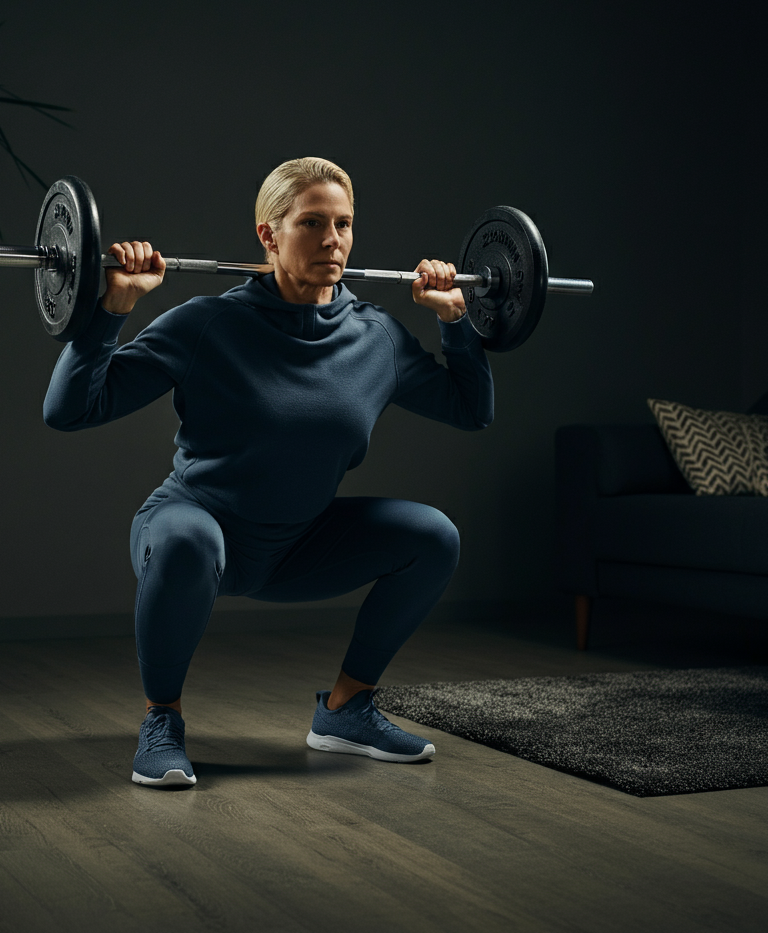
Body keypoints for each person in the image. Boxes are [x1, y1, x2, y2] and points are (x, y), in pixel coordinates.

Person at [43, 157, 493, 788]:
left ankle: (346, 709)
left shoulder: (377, 338)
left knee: (434, 536)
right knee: (188, 540)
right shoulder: (208, 323)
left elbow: (472, 410)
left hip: (297, 545)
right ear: (269, 235)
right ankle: (162, 720)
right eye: (312, 223)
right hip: (193, 527)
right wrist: (113, 308)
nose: (332, 240)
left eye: (343, 224)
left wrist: (456, 322)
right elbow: (69, 410)